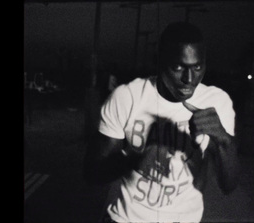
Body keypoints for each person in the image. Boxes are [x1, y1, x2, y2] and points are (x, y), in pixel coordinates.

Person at [84, 22, 239, 223]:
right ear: (159, 62)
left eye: (197, 67)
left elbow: (229, 186)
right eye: (178, 67)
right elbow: (92, 174)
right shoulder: (127, 97)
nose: (189, 79)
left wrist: (224, 141)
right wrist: (133, 157)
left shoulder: (217, 102)